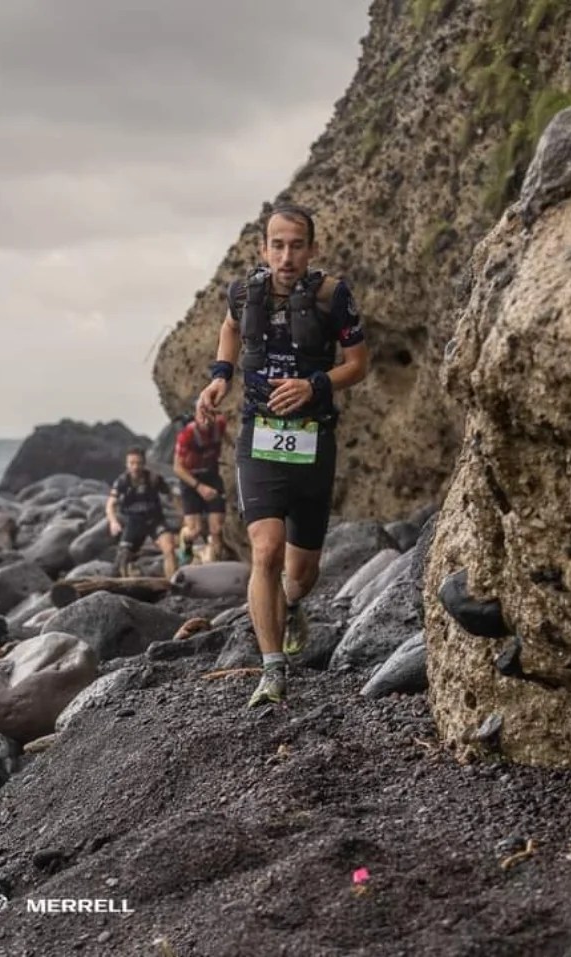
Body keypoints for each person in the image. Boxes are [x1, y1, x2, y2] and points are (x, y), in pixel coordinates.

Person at [197, 204, 370, 708]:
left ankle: (292, 605)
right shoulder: (244, 291)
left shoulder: (332, 296)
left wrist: (314, 383)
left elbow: (358, 364)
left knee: (302, 571)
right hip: (259, 437)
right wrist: (220, 377)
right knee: (266, 550)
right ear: (263, 248)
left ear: (311, 249)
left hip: (313, 437)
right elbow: (231, 328)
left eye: (296, 245)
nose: (286, 254)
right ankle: (272, 671)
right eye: (277, 244)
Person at [106, 447, 179, 579]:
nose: (135, 467)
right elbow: (110, 504)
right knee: (123, 557)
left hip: (154, 520)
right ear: (126, 464)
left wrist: (183, 515)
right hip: (133, 522)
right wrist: (113, 522)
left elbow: (172, 496)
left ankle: (173, 584)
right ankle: (120, 583)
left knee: (169, 548)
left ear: (144, 463)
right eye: (132, 463)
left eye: (138, 463)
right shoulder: (122, 481)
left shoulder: (154, 479)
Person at [172, 396, 229, 564]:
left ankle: (214, 564)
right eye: (201, 413)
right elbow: (177, 468)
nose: (205, 418)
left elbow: (231, 441)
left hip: (211, 475)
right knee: (194, 530)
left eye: (209, 413)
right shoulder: (187, 434)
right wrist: (199, 487)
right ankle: (185, 539)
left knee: (216, 529)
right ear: (195, 415)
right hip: (190, 479)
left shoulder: (220, 424)